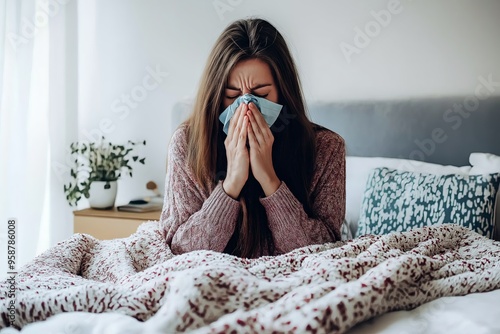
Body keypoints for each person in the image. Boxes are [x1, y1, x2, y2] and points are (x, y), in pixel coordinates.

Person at [160, 18, 345, 258]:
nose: (246, 106)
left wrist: (270, 180)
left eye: (260, 94)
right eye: (232, 95)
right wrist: (231, 185)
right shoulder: (186, 144)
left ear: (283, 92)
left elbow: (323, 252)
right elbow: (181, 251)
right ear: (216, 96)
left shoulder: (327, 148)